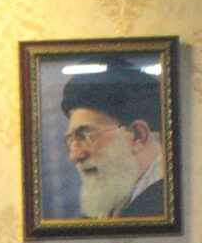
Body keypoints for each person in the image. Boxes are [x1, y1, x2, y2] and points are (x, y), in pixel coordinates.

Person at [52, 66, 169, 222]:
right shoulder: (109, 207)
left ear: (137, 136)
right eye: (71, 140)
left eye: (85, 136)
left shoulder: (164, 205)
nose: (74, 156)